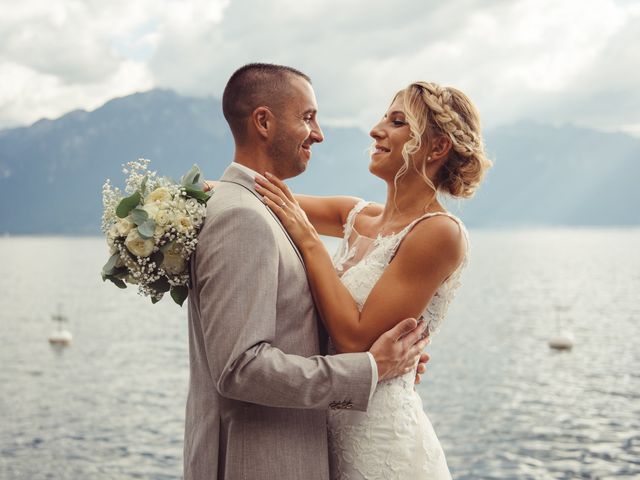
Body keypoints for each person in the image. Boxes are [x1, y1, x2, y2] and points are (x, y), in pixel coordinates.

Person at [184, 63, 430, 480]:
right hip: (261, 462)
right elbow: (241, 368)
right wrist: (372, 368)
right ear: (263, 121)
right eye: (308, 117)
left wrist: (392, 355)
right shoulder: (242, 218)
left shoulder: (257, 206)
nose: (318, 134)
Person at [255, 81, 492, 479]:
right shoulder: (354, 215)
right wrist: (168, 204)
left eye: (397, 122)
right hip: (320, 437)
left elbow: (354, 340)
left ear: (436, 148)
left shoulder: (439, 233)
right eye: (384, 116)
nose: (376, 129)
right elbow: (258, 196)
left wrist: (310, 241)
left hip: (383, 450)